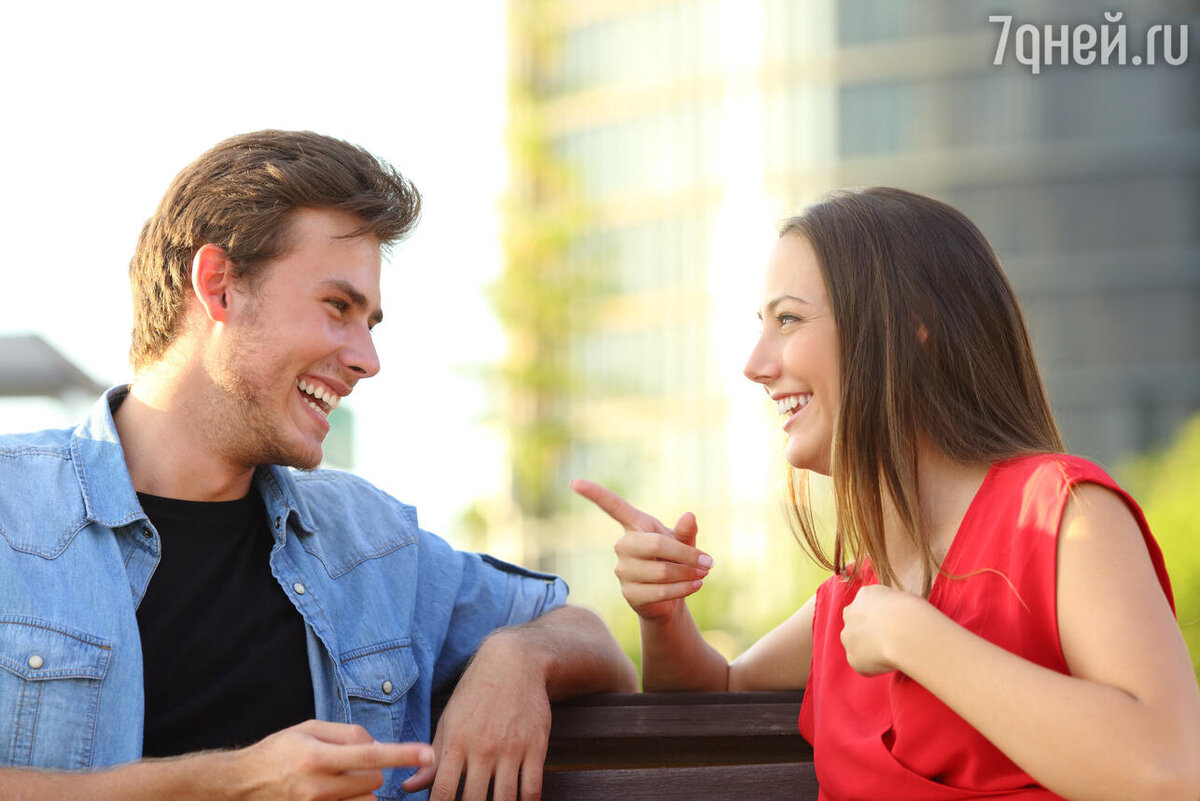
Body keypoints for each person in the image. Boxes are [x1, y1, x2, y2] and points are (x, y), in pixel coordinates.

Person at [0, 129, 636, 801]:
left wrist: (519, 657)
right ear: (219, 286)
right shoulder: (13, 513)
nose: (367, 358)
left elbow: (592, 641)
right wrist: (232, 781)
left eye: (371, 322)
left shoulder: (371, 544)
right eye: (338, 307)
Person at [573, 187, 1200, 800]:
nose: (755, 364)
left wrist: (919, 640)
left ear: (905, 327)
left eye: (788, 319)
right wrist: (663, 615)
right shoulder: (852, 597)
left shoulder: (1064, 514)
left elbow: (1169, 771)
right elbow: (715, 693)